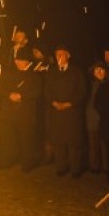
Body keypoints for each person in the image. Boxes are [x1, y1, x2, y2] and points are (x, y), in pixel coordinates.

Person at [44, 42, 88, 177]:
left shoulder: (77, 71)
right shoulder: (51, 72)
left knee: (74, 143)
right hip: (56, 112)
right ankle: (61, 167)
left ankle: (75, 169)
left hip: (72, 112)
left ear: (69, 55)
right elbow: (46, 91)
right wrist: (54, 102)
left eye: (62, 54)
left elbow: (82, 91)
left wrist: (69, 104)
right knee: (58, 142)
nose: (60, 57)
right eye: (57, 55)